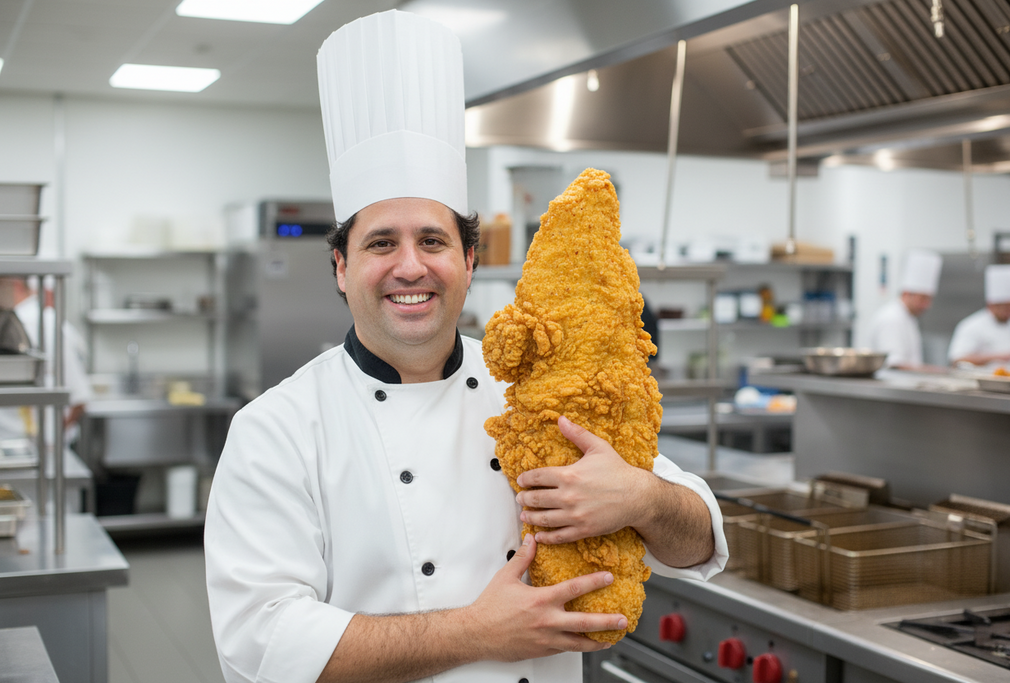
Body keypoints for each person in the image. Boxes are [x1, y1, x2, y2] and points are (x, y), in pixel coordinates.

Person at [204, 10, 727, 683]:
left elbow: (701, 542)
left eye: (433, 240)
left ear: (469, 260)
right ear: (340, 266)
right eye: (381, 243)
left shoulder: (541, 384)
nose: (411, 267)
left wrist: (645, 499)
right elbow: (260, 646)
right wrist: (477, 631)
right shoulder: (275, 429)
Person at [0, 276, 93, 443]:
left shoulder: (45, 323)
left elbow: (79, 397)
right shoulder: (13, 322)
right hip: (29, 440)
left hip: (41, 442)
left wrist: (53, 439)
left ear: (15, 285)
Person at [867, 249, 942, 368]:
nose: (927, 305)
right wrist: (936, 371)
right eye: (923, 299)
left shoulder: (909, 318)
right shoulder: (892, 318)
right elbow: (894, 364)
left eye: (929, 299)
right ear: (906, 293)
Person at [948, 263, 1010, 369]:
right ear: (991, 305)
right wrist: (996, 357)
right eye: (1005, 307)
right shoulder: (971, 326)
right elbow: (957, 360)